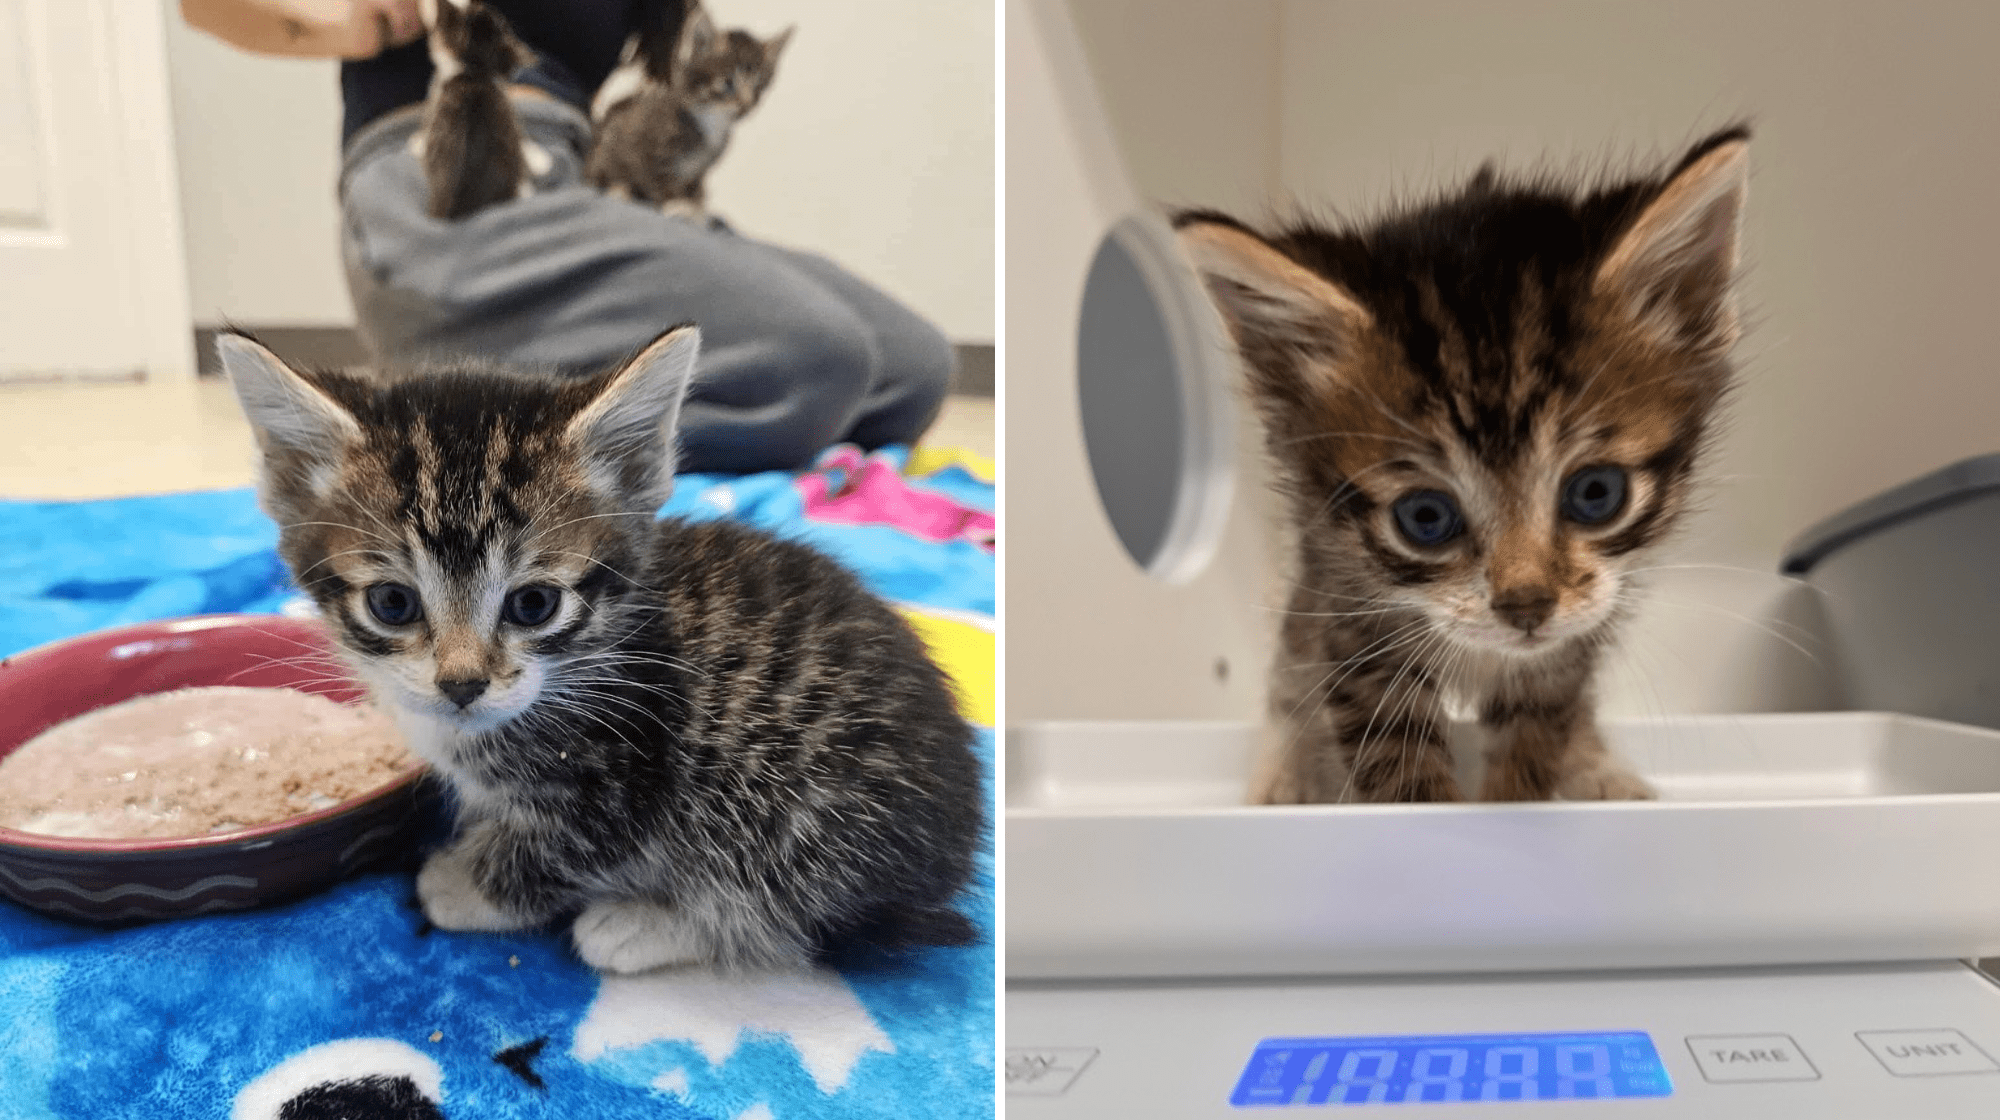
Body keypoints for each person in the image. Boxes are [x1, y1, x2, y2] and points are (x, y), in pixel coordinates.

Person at [180, 0, 954, 475]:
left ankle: (510, 386)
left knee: (911, 368)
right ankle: (483, 430)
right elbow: (207, 4)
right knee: (822, 361)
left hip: (574, 178)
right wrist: (341, 20)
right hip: (447, 182)